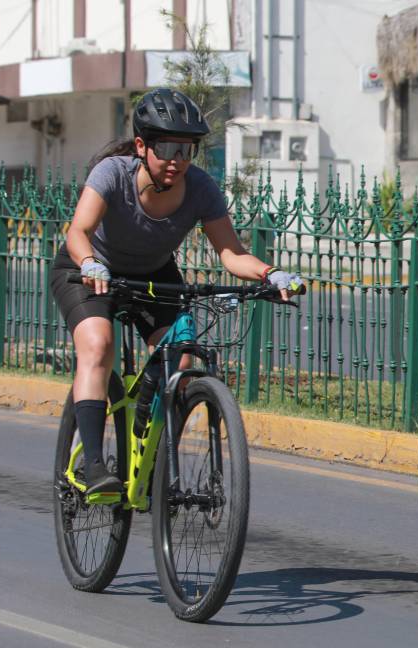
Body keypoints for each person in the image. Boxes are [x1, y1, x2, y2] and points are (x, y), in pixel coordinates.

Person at [49, 88, 303, 494]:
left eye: (187, 150)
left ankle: (150, 437)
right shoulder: (113, 174)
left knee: (181, 355)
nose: (177, 160)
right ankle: (94, 466)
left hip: (152, 273)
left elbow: (231, 252)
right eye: (166, 147)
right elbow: (78, 231)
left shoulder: (200, 188)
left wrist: (270, 274)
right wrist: (90, 263)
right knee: (98, 346)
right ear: (141, 146)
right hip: (89, 268)